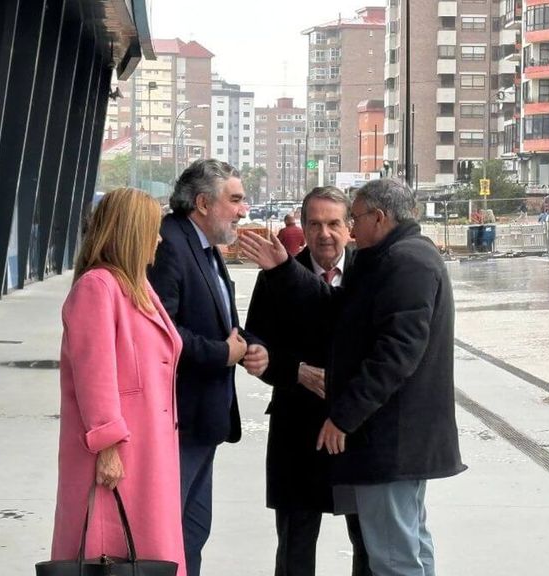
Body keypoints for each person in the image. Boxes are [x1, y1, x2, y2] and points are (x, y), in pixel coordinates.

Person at [239, 178, 466, 576]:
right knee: (406, 547)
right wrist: (283, 271)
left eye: (351, 219)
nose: (347, 231)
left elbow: (395, 355)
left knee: (391, 556)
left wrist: (343, 416)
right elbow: (333, 308)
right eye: (314, 224)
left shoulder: (402, 262)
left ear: (377, 218)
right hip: (332, 434)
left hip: (384, 438)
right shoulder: (395, 257)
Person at [52, 188, 186, 574]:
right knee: (113, 556)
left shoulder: (137, 286)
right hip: (117, 458)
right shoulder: (98, 287)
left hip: (148, 449)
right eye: (152, 229)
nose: (159, 239)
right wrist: (107, 445)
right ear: (130, 232)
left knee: (149, 553)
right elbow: (94, 373)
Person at [148, 159, 269, 576]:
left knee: (193, 531)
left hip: (205, 419)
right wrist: (223, 353)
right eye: (235, 200)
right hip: (179, 419)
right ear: (203, 202)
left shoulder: (203, 247)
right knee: (168, 536)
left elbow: (221, 321)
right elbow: (161, 332)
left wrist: (251, 346)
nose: (244, 209)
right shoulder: (170, 244)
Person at [245, 186, 371, 576]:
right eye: (314, 224)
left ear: (350, 227)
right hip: (296, 428)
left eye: (333, 223)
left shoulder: (372, 274)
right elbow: (254, 347)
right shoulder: (275, 274)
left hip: (358, 429)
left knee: (369, 543)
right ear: (301, 226)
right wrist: (294, 370)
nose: (324, 234)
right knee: (296, 545)